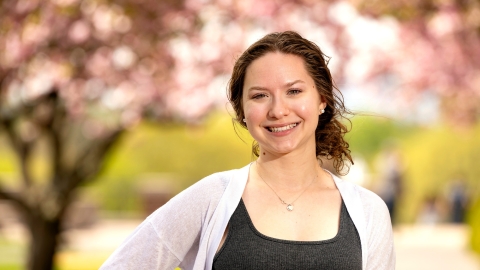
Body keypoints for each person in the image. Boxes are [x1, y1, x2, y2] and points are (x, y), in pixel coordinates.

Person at [100, 31, 395, 270]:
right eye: (260, 96)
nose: (278, 110)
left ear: (322, 99)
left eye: (294, 91)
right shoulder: (212, 199)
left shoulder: (368, 212)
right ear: (242, 111)